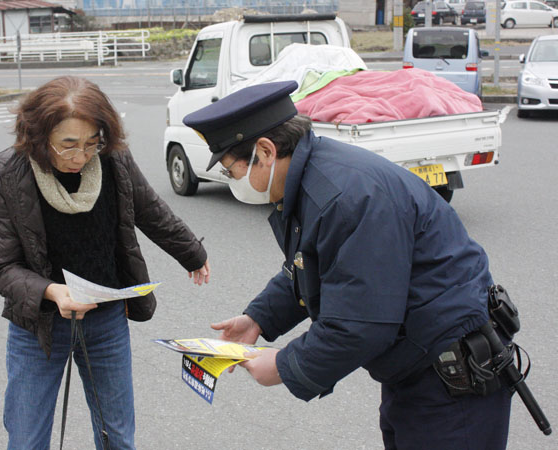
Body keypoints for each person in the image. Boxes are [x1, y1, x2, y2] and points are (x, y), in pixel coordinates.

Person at [183, 81, 512, 449]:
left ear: (266, 150)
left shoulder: (346, 196)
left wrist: (284, 366)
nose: (233, 181)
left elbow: (361, 323)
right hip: (416, 362)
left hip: (450, 374)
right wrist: (259, 318)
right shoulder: (312, 176)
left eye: (232, 170)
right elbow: (311, 265)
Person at [0, 76, 210, 450]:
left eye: (91, 143)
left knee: (117, 437)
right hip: (38, 329)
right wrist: (54, 292)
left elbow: (149, 209)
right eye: (68, 145)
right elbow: (2, 268)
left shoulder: (113, 161)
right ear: (39, 136)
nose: (80, 157)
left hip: (106, 321)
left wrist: (192, 252)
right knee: (26, 440)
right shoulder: (9, 177)